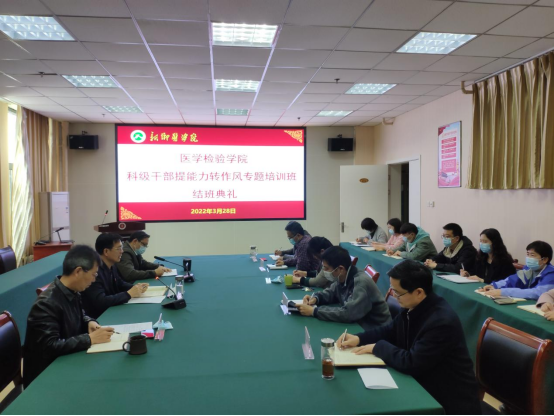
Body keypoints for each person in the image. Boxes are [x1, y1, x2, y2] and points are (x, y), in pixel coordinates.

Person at [337, 260, 481, 416]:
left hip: (448, 400)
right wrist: (358, 338)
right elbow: (390, 330)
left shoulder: (441, 322)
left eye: (398, 292)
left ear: (418, 292)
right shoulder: (413, 306)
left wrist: (377, 347)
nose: (394, 295)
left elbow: (411, 362)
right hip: (424, 381)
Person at [24, 246, 115, 387]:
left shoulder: (72, 290)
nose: (94, 280)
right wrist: (89, 339)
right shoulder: (46, 304)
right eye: (93, 274)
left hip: (65, 361)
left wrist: (89, 322)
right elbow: (49, 347)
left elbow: (79, 314)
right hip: (47, 377)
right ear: (78, 271)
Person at [295, 246, 391, 331]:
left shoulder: (360, 283)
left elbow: (348, 314)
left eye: (326, 268)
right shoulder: (342, 276)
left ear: (340, 269)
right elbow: (331, 292)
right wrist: (316, 298)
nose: (324, 271)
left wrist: (314, 311)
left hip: (374, 329)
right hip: (359, 323)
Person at [82, 233, 150, 320]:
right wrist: (128, 294)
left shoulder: (112, 265)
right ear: (106, 251)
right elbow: (101, 301)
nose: (122, 251)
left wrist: (136, 287)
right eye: (119, 248)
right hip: (99, 318)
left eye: (122, 248)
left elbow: (119, 283)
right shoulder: (94, 272)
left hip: (111, 310)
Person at [478, 241, 554, 300]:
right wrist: (494, 286)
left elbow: (537, 293)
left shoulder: (551, 274)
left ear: (545, 259)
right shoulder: (528, 269)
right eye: (528, 254)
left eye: (532, 255)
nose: (528, 258)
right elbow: (512, 280)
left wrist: (503, 292)